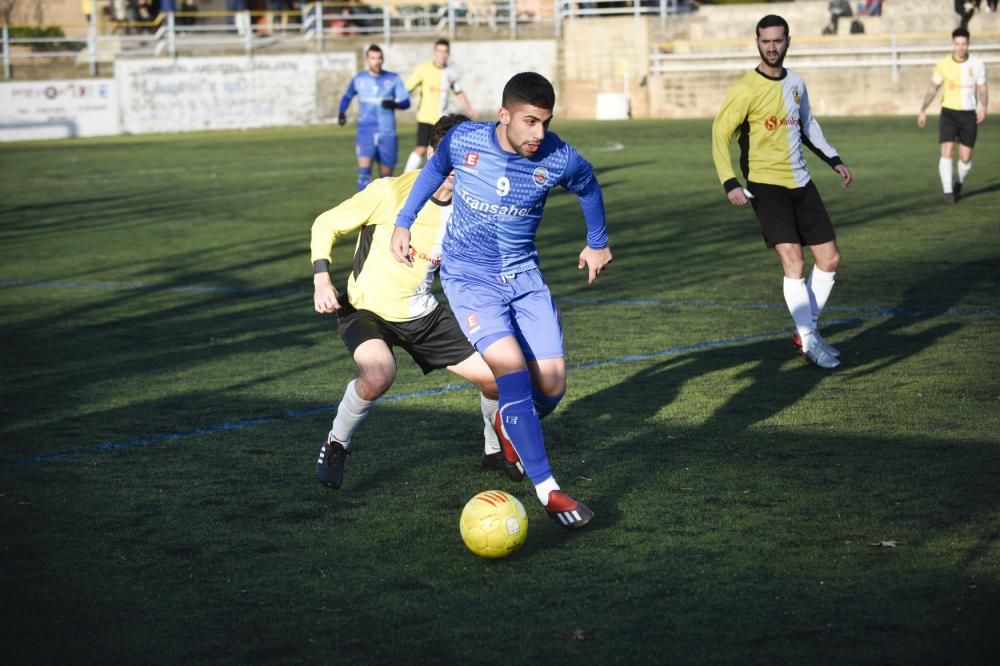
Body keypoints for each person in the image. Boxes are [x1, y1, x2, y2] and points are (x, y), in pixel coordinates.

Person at [390, 72, 613, 529]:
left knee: (551, 389)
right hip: (470, 277)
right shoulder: (464, 139)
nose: (538, 134)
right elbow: (432, 170)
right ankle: (548, 491)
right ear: (505, 114)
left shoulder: (559, 157)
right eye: (530, 122)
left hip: (525, 276)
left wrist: (598, 241)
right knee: (510, 370)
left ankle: (510, 424)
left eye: (545, 123)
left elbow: (589, 186)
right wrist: (403, 222)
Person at [312, 114, 502, 491]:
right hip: (366, 309)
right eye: (446, 156)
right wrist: (321, 277)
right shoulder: (390, 192)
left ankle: (496, 448)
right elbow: (325, 223)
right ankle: (337, 442)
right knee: (379, 373)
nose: (453, 168)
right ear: (432, 153)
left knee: (496, 379)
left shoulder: (469, 210)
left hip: (421, 313)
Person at [711, 14, 854, 370]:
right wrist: (730, 181)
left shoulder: (796, 82)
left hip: (802, 182)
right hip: (765, 184)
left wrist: (834, 159)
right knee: (794, 261)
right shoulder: (745, 88)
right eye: (765, 41)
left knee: (830, 260)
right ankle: (809, 341)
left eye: (778, 40)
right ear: (757, 42)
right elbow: (719, 133)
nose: (772, 47)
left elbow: (808, 125)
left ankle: (807, 331)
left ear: (788, 40)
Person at [917, 27, 988, 204]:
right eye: (957, 44)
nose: (960, 47)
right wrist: (923, 109)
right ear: (953, 44)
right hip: (948, 113)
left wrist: (983, 107)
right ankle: (948, 192)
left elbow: (982, 88)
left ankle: (959, 181)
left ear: (968, 44)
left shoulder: (977, 64)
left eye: (964, 44)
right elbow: (933, 88)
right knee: (947, 151)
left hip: (968, 115)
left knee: (965, 157)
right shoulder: (943, 64)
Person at [338, 44, 411, 191]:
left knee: (386, 181)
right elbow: (347, 96)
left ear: (382, 59)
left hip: (387, 132)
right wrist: (341, 112)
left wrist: (393, 104)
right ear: (367, 60)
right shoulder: (359, 79)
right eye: (373, 58)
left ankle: (384, 212)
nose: (376, 61)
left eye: (379, 58)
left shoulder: (393, 79)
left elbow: (406, 102)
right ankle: (363, 212)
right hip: (366, 131)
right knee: (363, 177)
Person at [402, 39, 479, 173]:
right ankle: (405, 176)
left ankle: (436, 180)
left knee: (440, 150)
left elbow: (458, 91)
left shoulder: (451, 72)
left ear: (448, 53)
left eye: (445, 52)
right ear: (435, 52)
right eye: (439, 51)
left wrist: (469, 108)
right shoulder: (423, 69)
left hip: (442, 119)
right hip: (425, 117)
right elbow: (406, 88)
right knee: (421, 148)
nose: (442, 55)